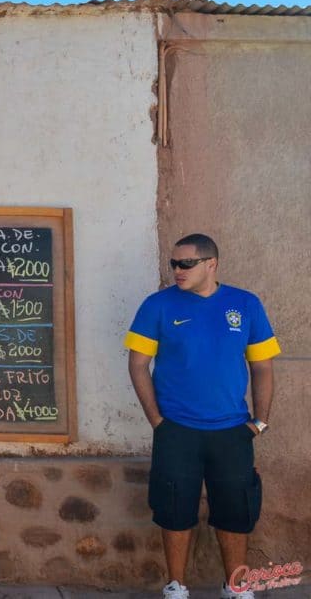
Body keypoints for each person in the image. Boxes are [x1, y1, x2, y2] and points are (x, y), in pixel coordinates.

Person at [124, 234, 280, 599]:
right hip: (176, 430)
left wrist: (260, 422)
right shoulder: (157, 306)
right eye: (173, 264)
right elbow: (137, 365)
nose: (176, 270)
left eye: (185, 264)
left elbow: (263, 367)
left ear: (211, 264)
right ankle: (176, 586)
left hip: (232, 431)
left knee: (236, 509)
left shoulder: (245, 304)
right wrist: (157, 422)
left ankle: (236, 587)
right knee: (173, 507)